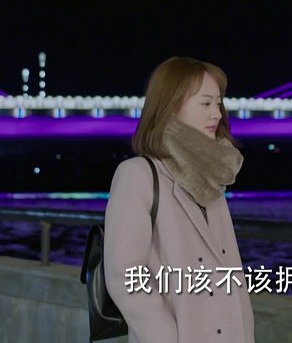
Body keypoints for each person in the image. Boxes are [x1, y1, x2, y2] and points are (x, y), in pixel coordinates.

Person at [104, 56, 255, 343]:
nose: (217, 114)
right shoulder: (138, 174)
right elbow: (124, 275)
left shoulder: (213, 176)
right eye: (205, 103)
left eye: (219, 103)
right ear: (171, 105)